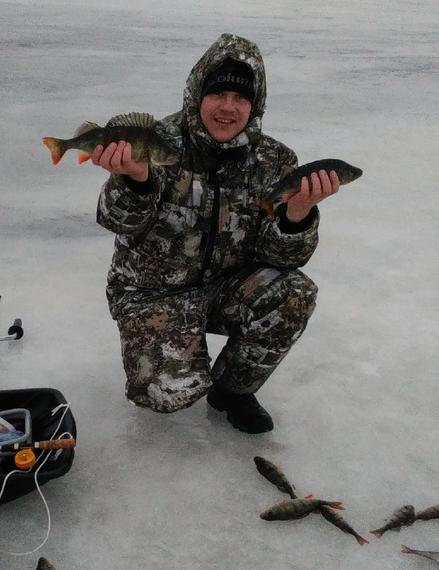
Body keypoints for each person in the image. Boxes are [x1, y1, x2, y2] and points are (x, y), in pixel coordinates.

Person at [90, 33, 340, 434]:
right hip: (152, 293)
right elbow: (116, 221)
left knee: (295, 292)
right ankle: (179, 351)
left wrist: (297, 216)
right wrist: (135, 181)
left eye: (240, 97)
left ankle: (233, 390)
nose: (228, 107)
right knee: (165, 394)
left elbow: (280, 260)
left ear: (254, 105)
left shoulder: (275, 160)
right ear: (197, 95)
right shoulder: (159, 144)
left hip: (225, 287)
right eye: (218, 93)